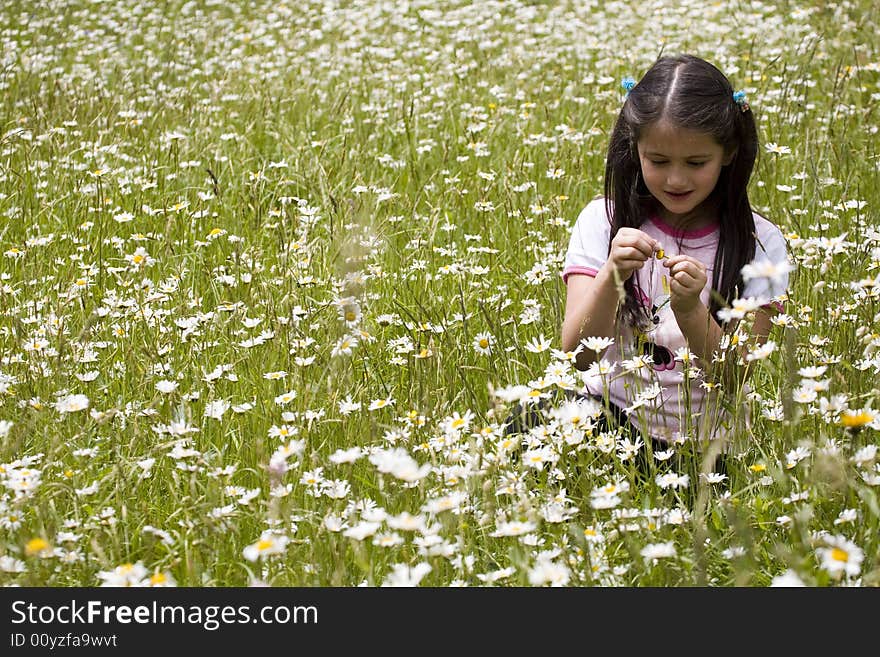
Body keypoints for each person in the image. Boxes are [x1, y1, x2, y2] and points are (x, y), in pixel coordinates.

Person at [508, 54, 790, 479]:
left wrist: (693, 310)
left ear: (729, 153)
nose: (676, 180)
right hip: (610, 425)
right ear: (634, 149)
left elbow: (736, 378)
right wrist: (611, 277)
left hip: (708, 450)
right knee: (526, 421)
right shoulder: (602, 221)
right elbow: (579, 358)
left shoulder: (760, 243)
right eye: (658, 161)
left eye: (696, 163)